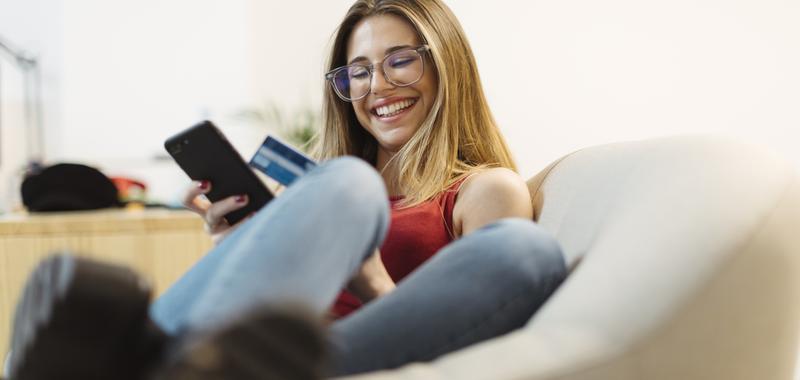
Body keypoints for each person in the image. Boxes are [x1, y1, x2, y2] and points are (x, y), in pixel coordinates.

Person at [5, 0, 567, 379]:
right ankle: (160, 353)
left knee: (527, 253)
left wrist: (370, 279)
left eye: (401, 61)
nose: (380, 86)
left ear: (448, 69)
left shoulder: (484, 189)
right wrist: (241, 250)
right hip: (245, 340)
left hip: (335, 360)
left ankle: (153, 357)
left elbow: (482, 345)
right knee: (344, 183)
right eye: (361, 70)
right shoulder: (334, 184)